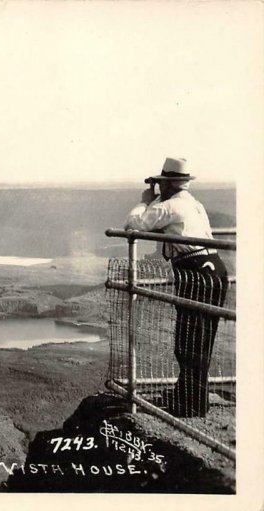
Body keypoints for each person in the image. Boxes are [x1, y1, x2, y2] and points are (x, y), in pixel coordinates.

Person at [124, 157, 228, 417]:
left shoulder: (168, 207)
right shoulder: (193, 205)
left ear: (167, 184)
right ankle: (190, 396)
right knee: (200, 339)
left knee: (188, 340)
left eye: (161, 183)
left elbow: (134, 225)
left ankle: (191, 405)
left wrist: (145, 200)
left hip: (195, 271)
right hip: (213, 268)